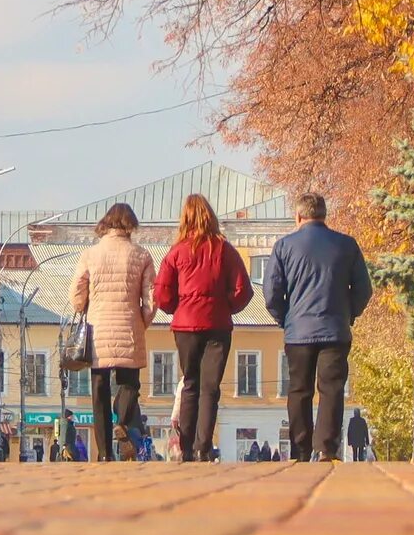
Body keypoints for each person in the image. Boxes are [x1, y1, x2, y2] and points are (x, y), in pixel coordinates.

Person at [261, 192, 373, 461]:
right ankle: (326, 448)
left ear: (298, 216)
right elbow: (364, 289)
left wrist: (285, 319)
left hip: (298, 332)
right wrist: (348, 315)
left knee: (299, 389)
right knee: (331, 388)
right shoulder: (346, 245)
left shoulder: (284, 247)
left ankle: (300, 450)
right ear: (324, 215)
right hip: (335, 329)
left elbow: (271, 292)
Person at [154, 193, 252, 462]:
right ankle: (203, 446)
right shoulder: (225, 250)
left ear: (184, 219)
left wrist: (179, 308)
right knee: (211, 387)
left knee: (190, 384)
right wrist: (224, 306)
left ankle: (185, 447)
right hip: (218, 325)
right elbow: (243, 289)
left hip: (186, 327)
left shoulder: (177, 252)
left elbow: (162, 293)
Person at [68, 201, 157, 466]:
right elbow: (151, 298)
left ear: (106, 223)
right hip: (130, 327)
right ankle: (121, 422)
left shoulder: (90, 255)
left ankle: (105, 452)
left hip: (98, 330)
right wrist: (143, 321)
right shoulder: (141, 255)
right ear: (131, 225)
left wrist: (83, 307)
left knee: (99, 389)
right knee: (130, 384)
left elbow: (76, 294)